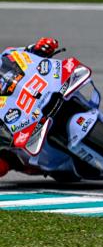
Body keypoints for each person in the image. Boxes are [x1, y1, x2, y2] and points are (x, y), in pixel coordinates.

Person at [0, 37, 60, 178]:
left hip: (38, 95)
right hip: (19, 128)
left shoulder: (5, 57)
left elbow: (24, 54)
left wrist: (39, 48)